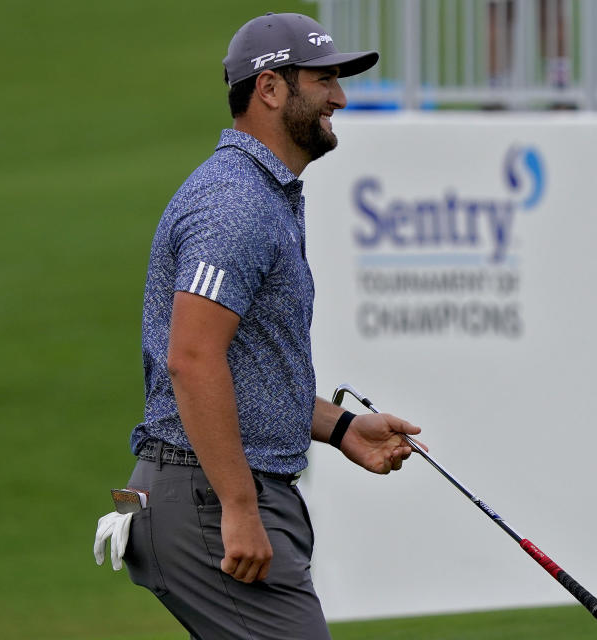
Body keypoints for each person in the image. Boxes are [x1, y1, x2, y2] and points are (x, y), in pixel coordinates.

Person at [120, 12, 423, 640]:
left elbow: (239, 370)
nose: (340, 96)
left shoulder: (262, 196)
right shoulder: (235, 202)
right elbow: (193, 359)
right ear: (270, 89)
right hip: (209, 499)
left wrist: (340, 428)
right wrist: (238, 505)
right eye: (324, 79)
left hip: (208, 491)